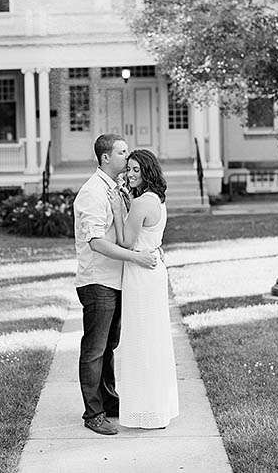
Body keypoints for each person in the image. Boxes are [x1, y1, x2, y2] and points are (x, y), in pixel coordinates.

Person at [71, 133, 158, 436]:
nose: (127, 156)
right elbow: (95, 242)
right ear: (106, 158)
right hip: (98, 280)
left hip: (116, 280)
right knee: (95, 349)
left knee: (110, 345)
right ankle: (93, 413)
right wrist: (136, 259)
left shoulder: (117, 190)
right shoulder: (92, 192)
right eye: (122, 152)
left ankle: (109, 401)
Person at [110, 149, 179, 429]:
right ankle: (156, 408)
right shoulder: (156, 200)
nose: (130, 174)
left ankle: (144, 412)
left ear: (148, 171)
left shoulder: (141, 204)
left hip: (140, 272)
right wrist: (128, 204)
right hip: (153, 269)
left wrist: (117, 210)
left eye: (137, 169)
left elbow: (125, 242)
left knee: (140, 338)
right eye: (129, 168)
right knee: (153, 337)